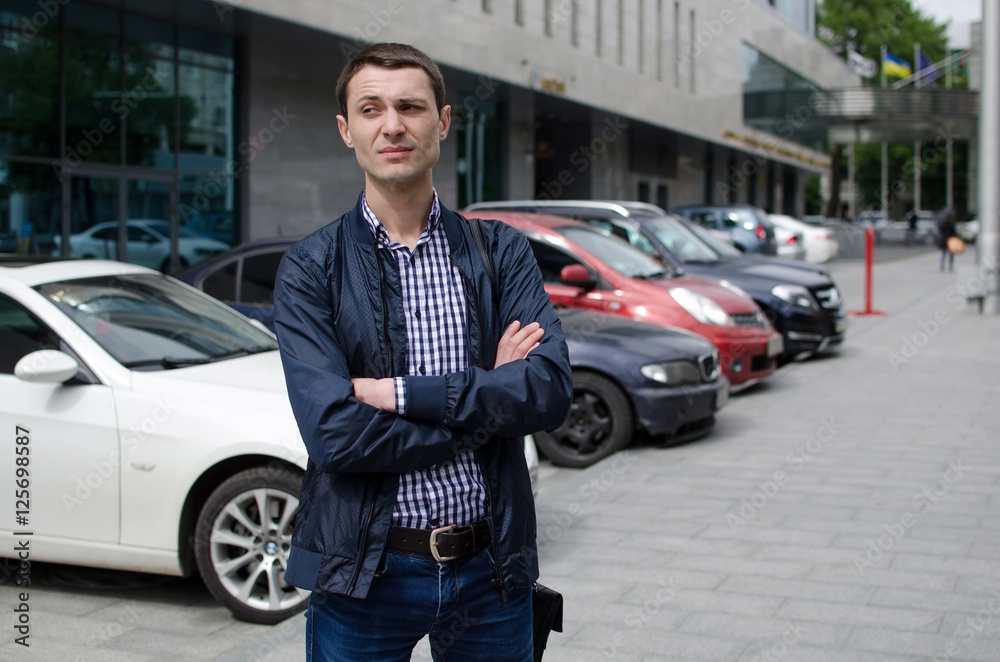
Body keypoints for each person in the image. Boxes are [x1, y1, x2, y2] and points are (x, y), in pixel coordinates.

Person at [272, 42, 573, 661]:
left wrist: (401, 394)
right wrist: (484, 398)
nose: (392, 125)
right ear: (346, 130)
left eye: (410, 106)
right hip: (365, 574)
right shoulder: (311, 268)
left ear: (442, 121)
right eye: (371, 108)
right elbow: (336, 435)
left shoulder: (501, 253)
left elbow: (547, 390)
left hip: (490, 569)